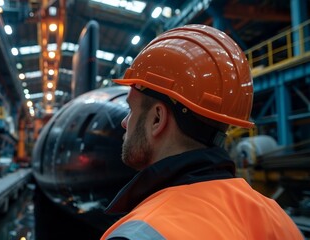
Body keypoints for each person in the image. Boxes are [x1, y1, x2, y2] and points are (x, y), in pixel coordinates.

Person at [101, 24, 303, 240]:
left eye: (131, 109)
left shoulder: (138, 233)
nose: (124, 122)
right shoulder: (278, 219)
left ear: (157, 119)